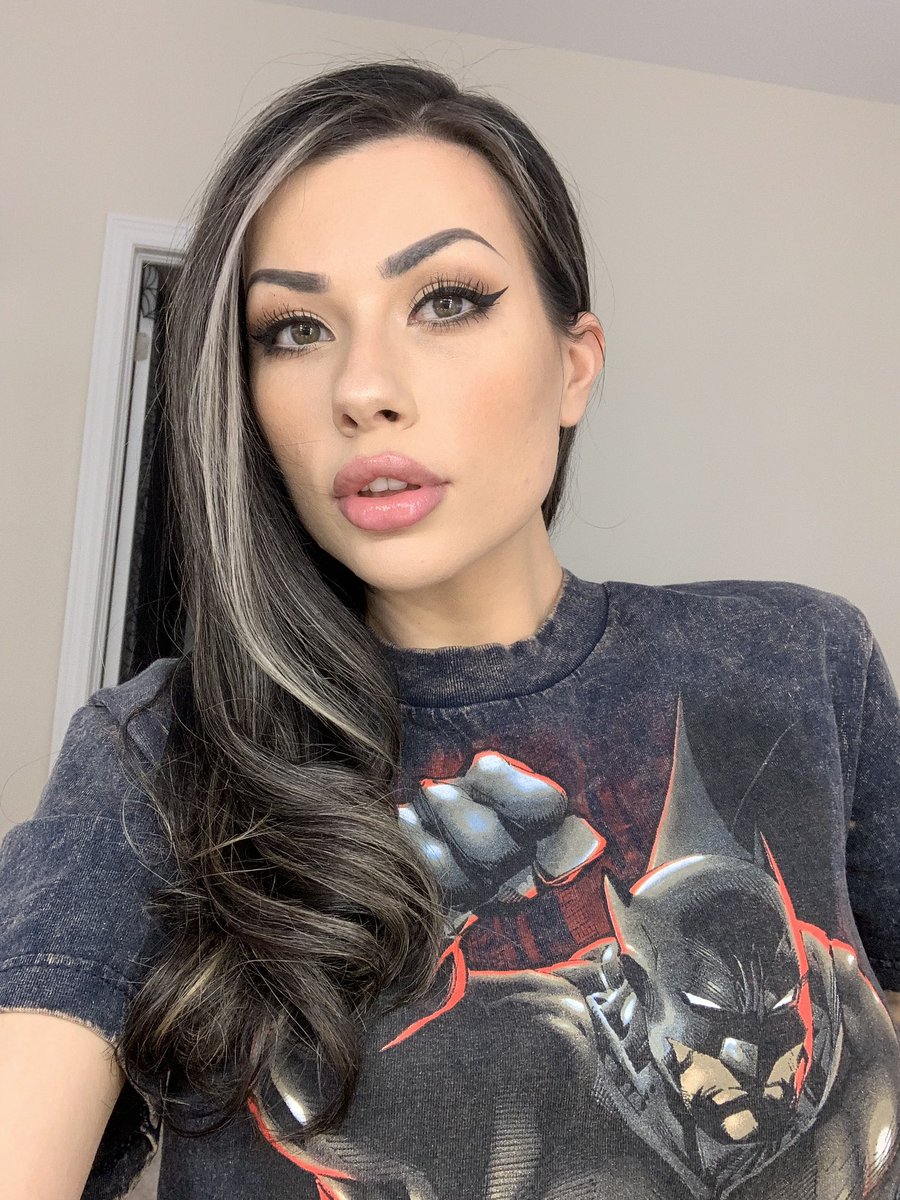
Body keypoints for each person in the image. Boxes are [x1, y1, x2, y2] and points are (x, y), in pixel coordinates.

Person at [1, 58, 899, 1200]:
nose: (362, 387)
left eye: (446, 301)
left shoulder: (799, 664)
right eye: (295, 328)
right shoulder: (159, 752)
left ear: (574, 366)